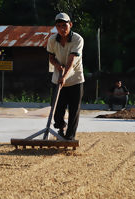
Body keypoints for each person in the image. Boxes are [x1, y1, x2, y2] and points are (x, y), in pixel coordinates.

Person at [47, 12, 85, 140]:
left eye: (64, 25)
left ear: (70, 25)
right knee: (57, 109)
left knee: (74, 110)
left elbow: (72, 60)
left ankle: (70, 137)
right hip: (58, 78)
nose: (62, 29)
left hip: (75, 79)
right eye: (59, 26)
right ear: (56, 27)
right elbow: (51, 57)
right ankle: (61, 128)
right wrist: (57, 66)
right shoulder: (52, 40)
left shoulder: (78, 39)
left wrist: (64, 76)